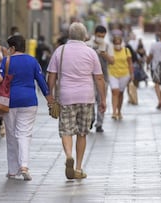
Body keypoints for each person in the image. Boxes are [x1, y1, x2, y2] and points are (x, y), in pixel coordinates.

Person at [47, 22, 106, 179]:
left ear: (69, 35)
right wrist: (103, 100)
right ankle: (79, 168)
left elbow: (51, 75)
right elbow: (99, 78)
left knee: (66, 130)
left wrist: (50, 96)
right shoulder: (91, 53)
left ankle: (68, 156)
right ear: (85, 36)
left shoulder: (60, 51)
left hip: (66, 97)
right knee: (82, 133)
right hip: (86, 97)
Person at [0, 35, 53, 181]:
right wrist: (50, 100)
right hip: (29, 101)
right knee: (24, 134)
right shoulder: (32, 61)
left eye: (9, 47)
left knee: (11, 135)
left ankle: (12, 170)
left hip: (10, 101)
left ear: (12, 48)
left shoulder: (6, 60)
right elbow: (41, 81)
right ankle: (24, 166)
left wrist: (4, 64)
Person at [86, 25, 114, 133]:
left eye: (102, 36)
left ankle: (99, 124)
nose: (100, 38)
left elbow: (112, 61)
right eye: (98, 36)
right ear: (95, 34)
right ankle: (90, 119)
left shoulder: (107, 45)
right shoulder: (88, 45)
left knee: (101, 100)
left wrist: (105, 55)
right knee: (90, 100)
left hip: (103, 77)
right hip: (89, 77)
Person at [109, 35, 134, 119]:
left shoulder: (126, 50)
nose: (117, 45)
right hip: (113, 73)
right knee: (115, 91)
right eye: (116, 43)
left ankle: (119, 111)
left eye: (119, 43)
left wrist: (132, 74)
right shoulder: (110, 51)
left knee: (120, 93)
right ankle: (113, 111)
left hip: (124, 74)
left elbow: (130, 63)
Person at [146, 31, 161, 110]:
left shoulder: (154, 45)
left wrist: (147, 64)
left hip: (155, 67)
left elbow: (150, 56)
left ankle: (159, 100)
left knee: (156, 84)